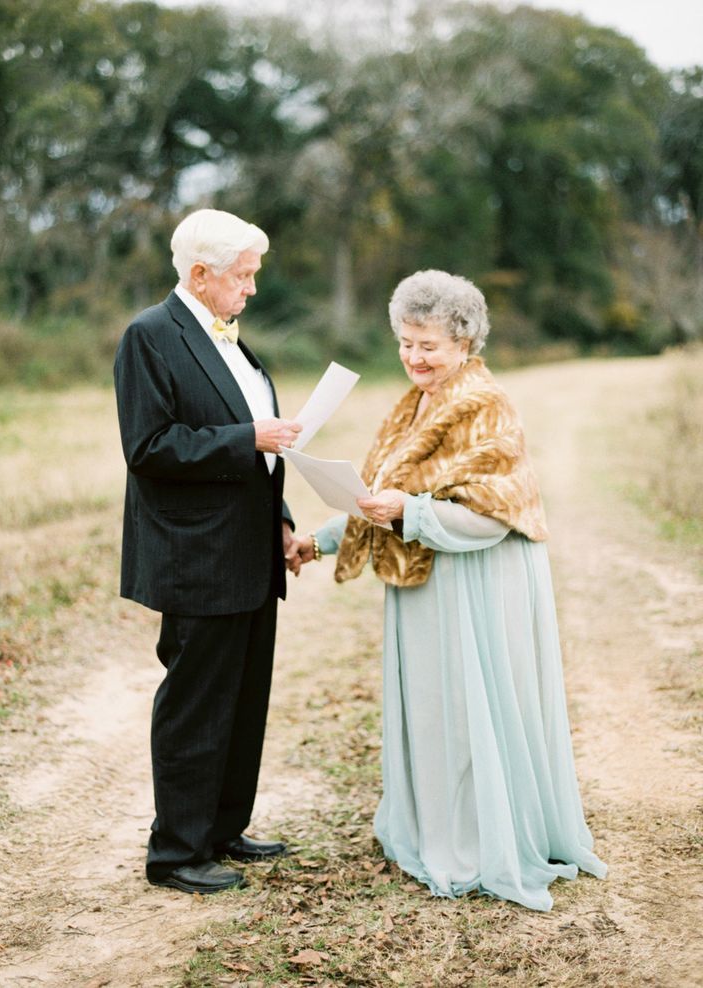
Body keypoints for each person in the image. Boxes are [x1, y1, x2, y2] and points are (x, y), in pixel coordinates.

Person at [297, 270, 607, 911]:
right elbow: (374, 496)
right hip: (427, 580)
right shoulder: (414, 404)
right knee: (437, 711)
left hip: (475, 581)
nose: (414, 357)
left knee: (471, 708)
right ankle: (440, 826)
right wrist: (322, 538)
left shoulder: (483, 405)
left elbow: (493, 515)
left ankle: (478, 838)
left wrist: (410, 514)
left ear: (464, 342)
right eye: (406, 342)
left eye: (428, 346)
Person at [114, 208, 305, 895]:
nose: (251, 289)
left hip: (250, 550)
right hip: (196, 557)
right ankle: (175, 854)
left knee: (244, 697)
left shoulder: (232, 341)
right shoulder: (150, 337)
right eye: (243, 276)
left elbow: (259, 442)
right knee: (196, 704)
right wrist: (246, 438)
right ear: (200, 275)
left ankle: (223, 830)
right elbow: (148, 447)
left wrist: (279, 515)